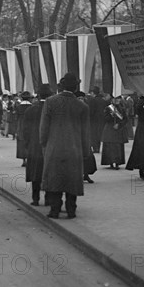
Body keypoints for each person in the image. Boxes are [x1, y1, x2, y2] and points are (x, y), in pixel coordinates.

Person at [40, 72, 90, 219]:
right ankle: (71, 210)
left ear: (62, 86)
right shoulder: (82, 106)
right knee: (72, 180)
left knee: (55, 178)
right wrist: (85, 151)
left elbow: (44, 128)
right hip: (74, 149)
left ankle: (54, 210)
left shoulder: (50, 102)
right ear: (75, 88)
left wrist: (44, 144)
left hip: (54, 147)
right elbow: (85, 132)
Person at [23, 84, 53, 206]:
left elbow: (25, 130)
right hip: (49, 145)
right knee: (48, 172)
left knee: (35, 173)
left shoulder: (31, 109)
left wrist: (27, 143)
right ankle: (48, 198)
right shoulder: (52, 109)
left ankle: (35, 198)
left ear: (38, 95)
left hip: (34, 145)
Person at [101, 96, 128, 169]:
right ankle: (110, 162)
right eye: (115, 99)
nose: (117, 100)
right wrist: (111, 115)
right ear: (112, 100)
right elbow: (105, 118)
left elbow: (125, 119)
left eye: (118, 99)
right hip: (109, 129)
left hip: (119, 129)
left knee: (118, 147)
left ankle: (117, 162)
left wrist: (119, 124)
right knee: (110, 146)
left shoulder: (122, 108)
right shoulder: (108, 108)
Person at [15, 91, 33, 167]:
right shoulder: (32, 107)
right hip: (30, 126)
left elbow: (16, 118)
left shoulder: (18, 107)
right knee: (30, 142)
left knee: (21, 143)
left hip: (21, 126)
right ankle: (29, 159)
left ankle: (24, 160)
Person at [88, 86, 107, 153]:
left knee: (93, 134)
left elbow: (91, 111)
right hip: (102, 120)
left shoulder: (92, 100)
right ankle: (98, 148)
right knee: (99, 134)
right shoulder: (103, 100)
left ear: (93, 93)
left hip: (94, 120)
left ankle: (95, 148)